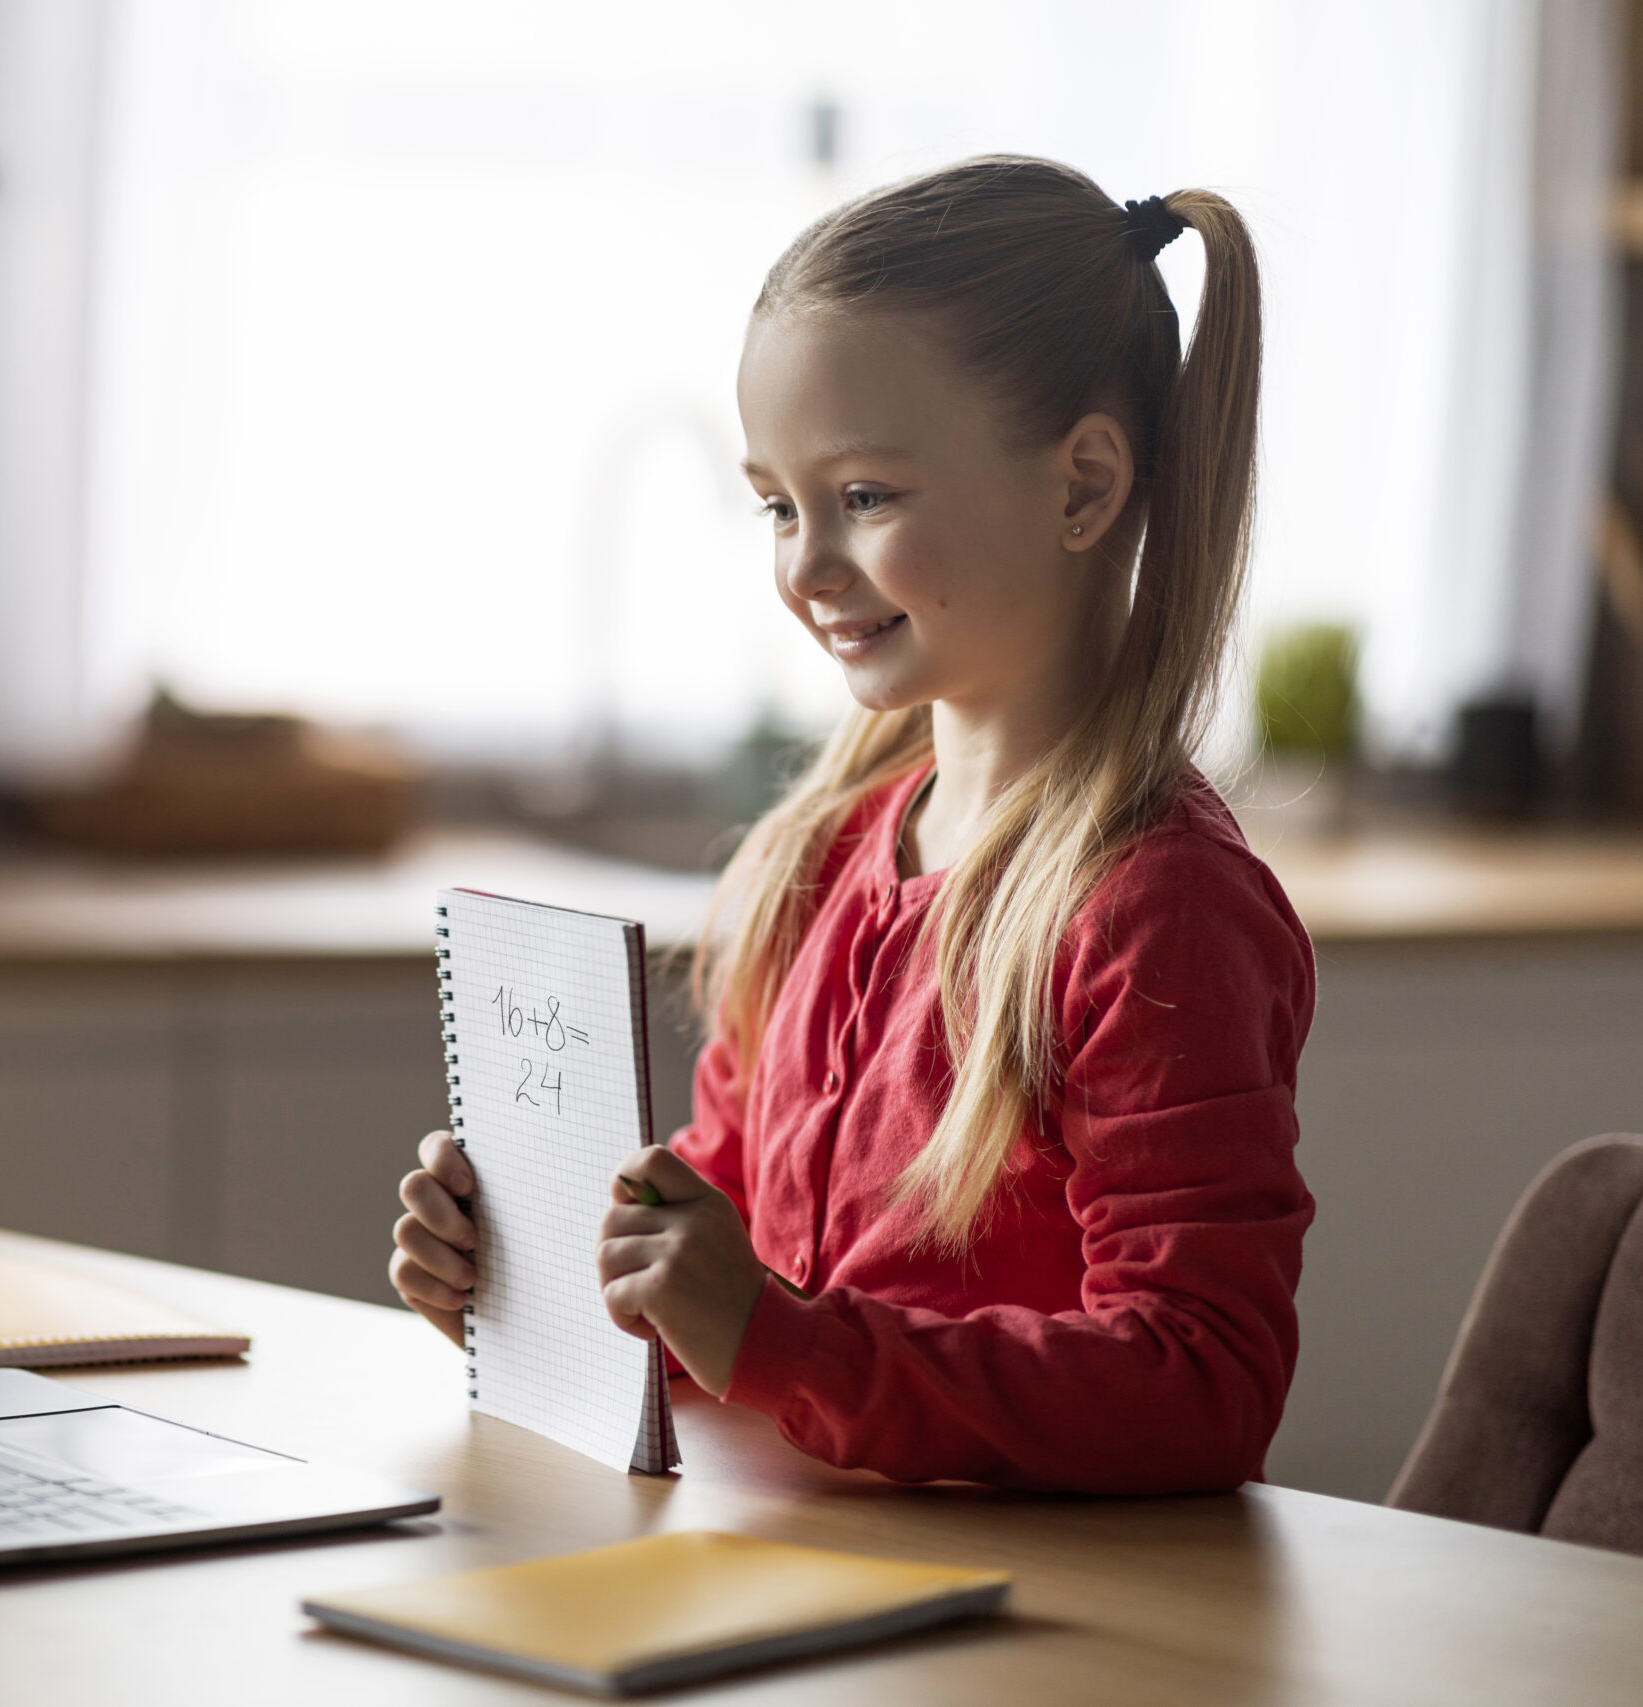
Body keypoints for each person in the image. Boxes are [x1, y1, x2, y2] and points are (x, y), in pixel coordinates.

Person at [390, 156, 1315, 1494]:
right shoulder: (816, 863)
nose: (803, 568)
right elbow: (713, 1252)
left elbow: (1201, 1381)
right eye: (778, 504)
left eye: (865, 498)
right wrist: (529, 1273)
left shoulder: (1156, 911)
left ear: (1083, 488)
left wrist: (774, 1339)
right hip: (801, 1580)